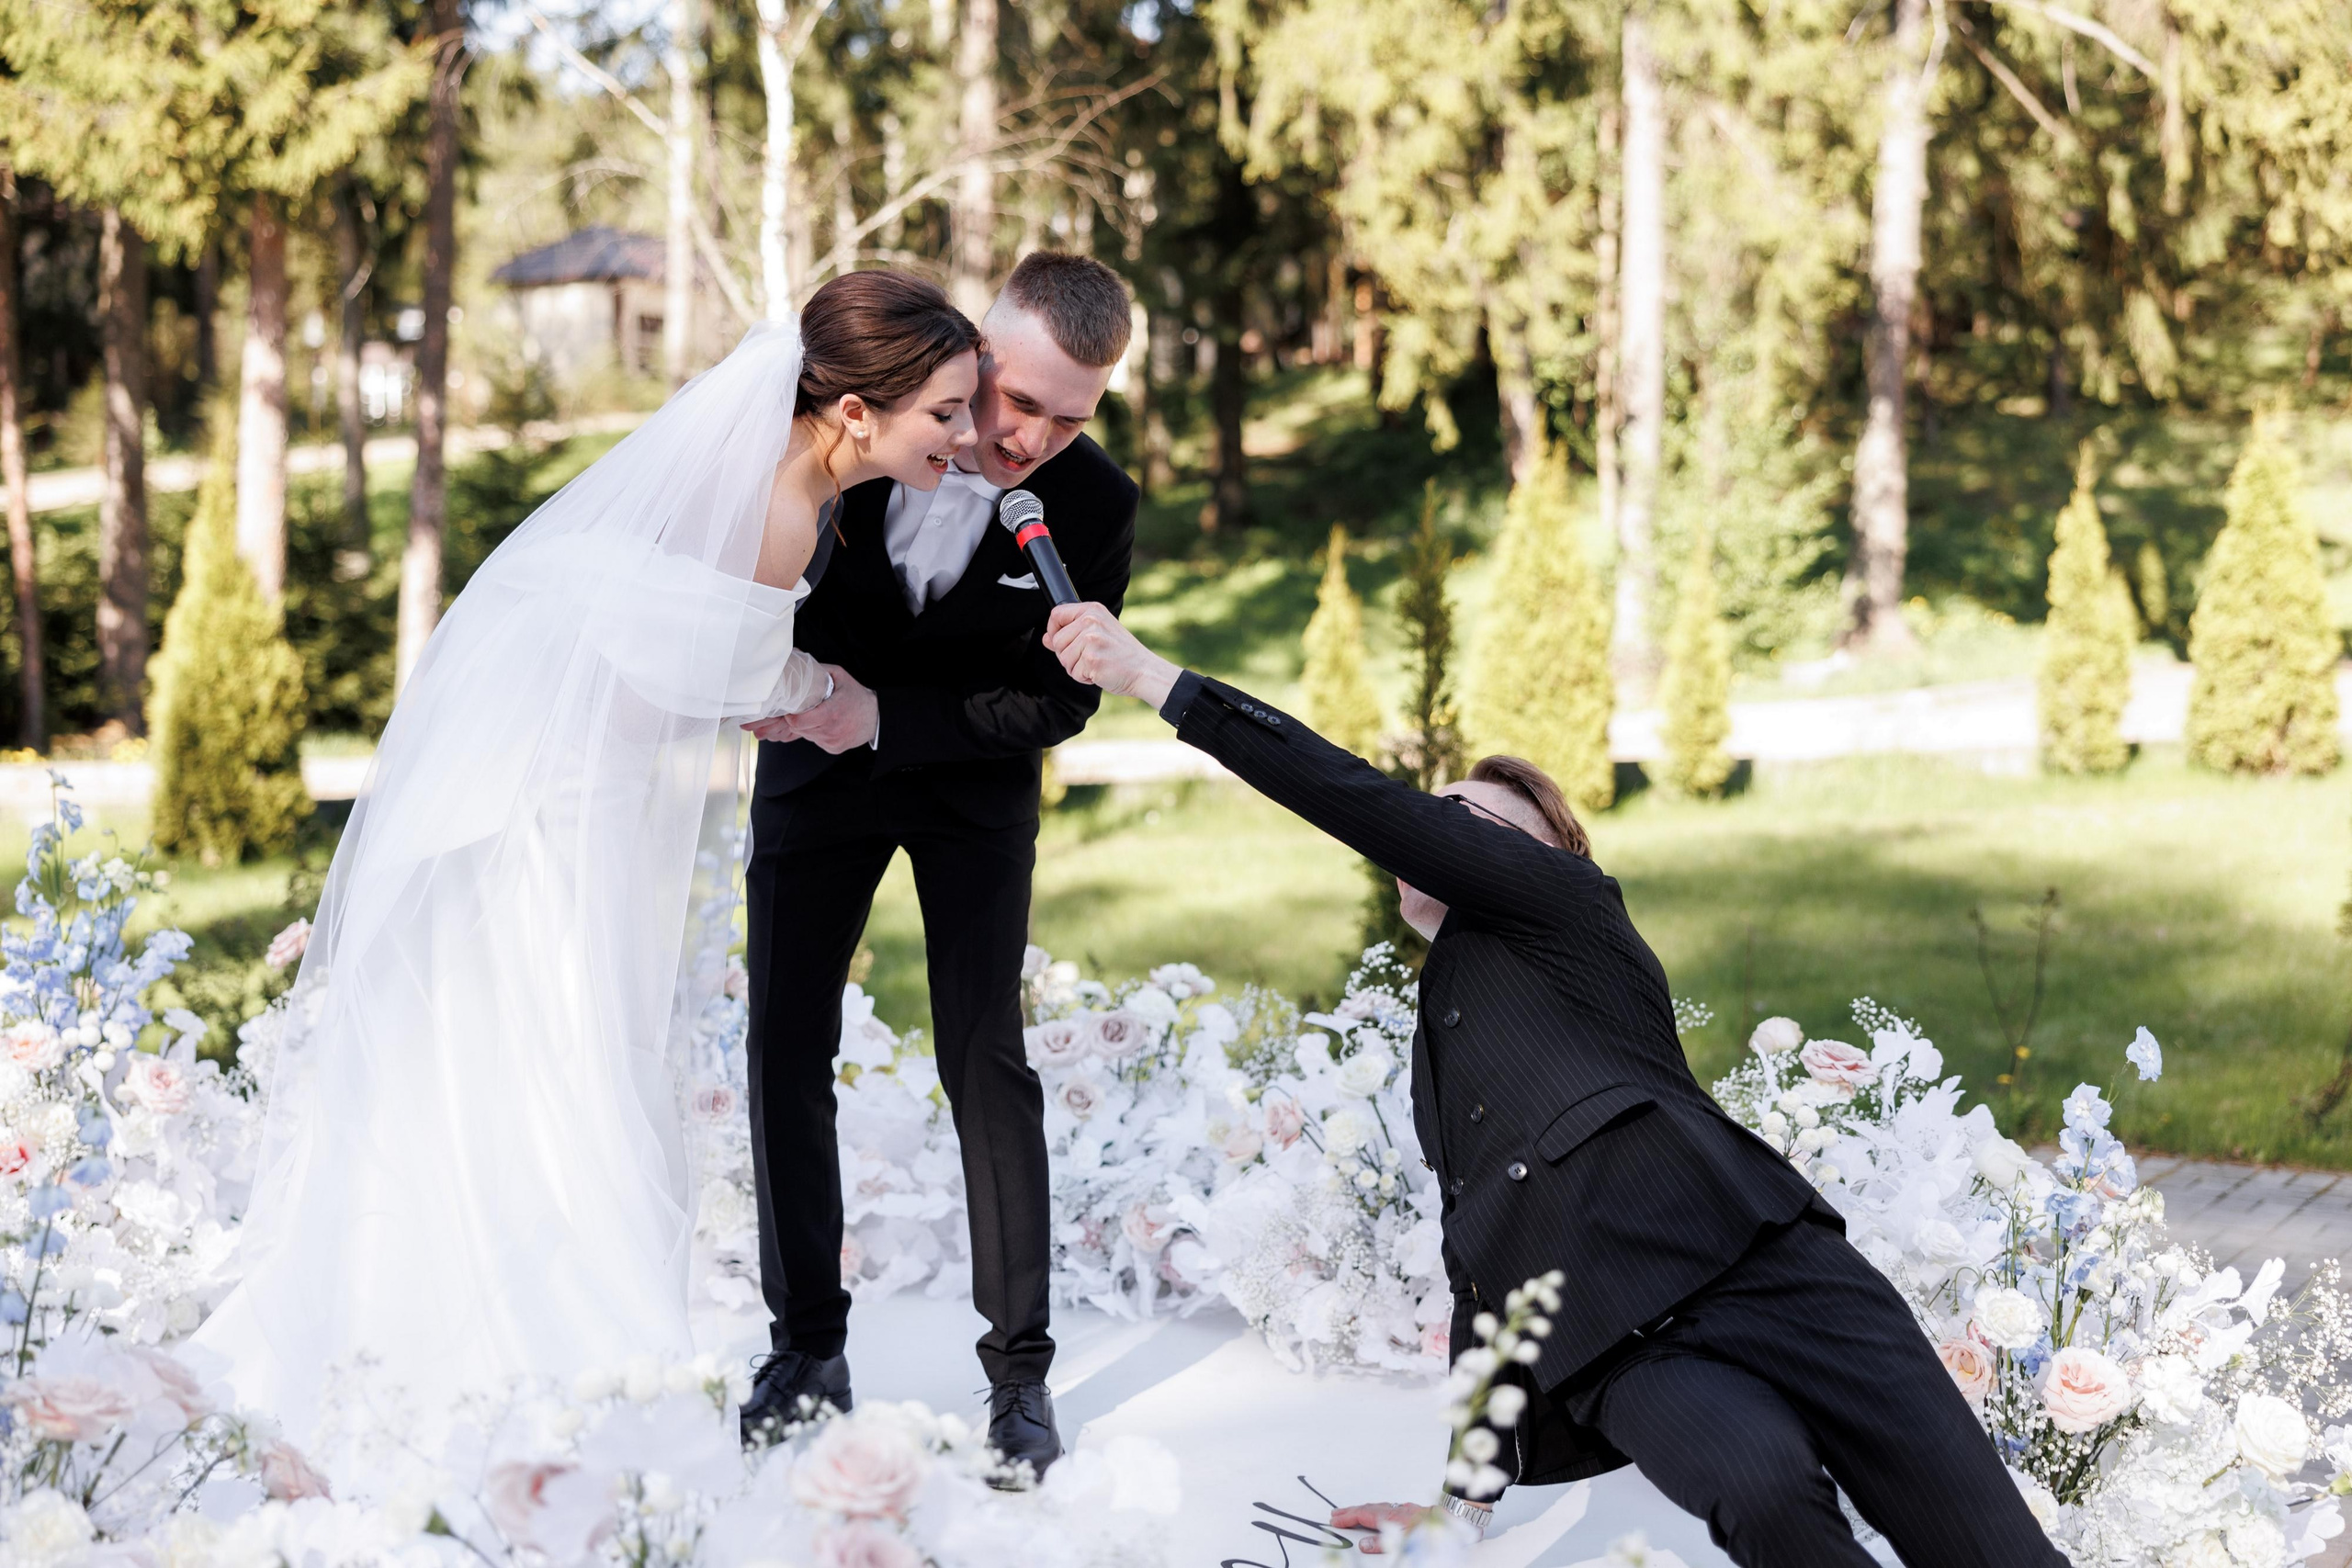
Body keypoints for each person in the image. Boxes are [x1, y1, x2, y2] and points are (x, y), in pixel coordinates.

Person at [1038, 602, 2072, 1568]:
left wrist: (1155, 681)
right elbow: (1482, 1278)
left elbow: (1358, 800)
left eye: (1476, 821)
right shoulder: (1440, 1056)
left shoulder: (1567, 915)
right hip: (1626, 1357)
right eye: (1441, 811)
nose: (1439, 825)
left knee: (1990, 1549)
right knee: (1759, 1494)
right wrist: (1458, 1507)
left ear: (1545, 860)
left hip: (1769, 1270)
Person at [188, 274, 985, 1450]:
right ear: (859, 412)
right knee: (552, 1040)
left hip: (568, 773)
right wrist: (818, 691)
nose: (964, 438)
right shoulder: (779, 507)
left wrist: (786, 686)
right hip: (555, 803)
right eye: (946, 413)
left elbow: (690, 654)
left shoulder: (792, 483)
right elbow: (718, 672)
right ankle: (526, 1351)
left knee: (531, 1042)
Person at [731, 253, 1139, 1475]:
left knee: (986, 1055)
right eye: (1013, 398)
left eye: (1071, 415)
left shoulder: (1100, 504)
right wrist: (805, 704)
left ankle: (1020, 1376)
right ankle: (806, 1346)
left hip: (972, 787)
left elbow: (1057, 704)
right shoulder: (855, 431)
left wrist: (891, 722)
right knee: (785, 1042)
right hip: (814, 770)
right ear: (975, 350)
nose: (1024, 435)